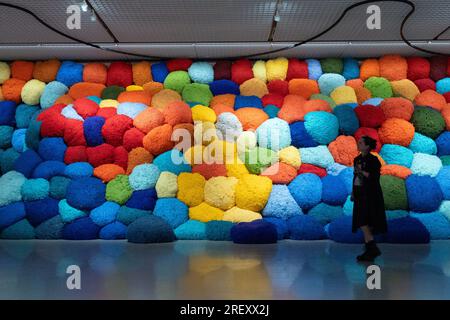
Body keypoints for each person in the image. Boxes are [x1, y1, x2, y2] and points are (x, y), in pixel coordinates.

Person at [352, 136, 387, 262]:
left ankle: (372, 248)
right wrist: (353, 192)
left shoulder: (374, 160)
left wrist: (362, 172)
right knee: (362, 221)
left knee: (364, 221)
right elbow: (355, 177)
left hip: (370, 195)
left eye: (361, 142)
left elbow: (374, 177)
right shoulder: (357, 159)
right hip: (359, 193)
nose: (358, 144)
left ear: (367, 146)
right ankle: (370, 250)